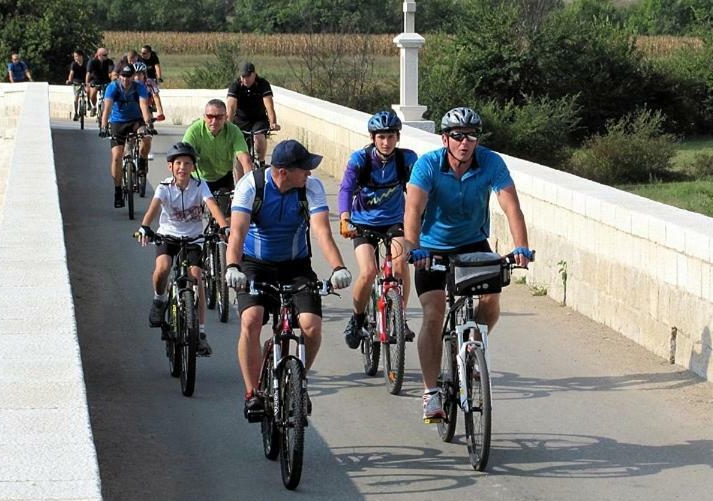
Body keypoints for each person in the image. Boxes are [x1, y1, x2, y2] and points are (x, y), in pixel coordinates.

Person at [404, 106, 532, 422]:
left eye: (471, 136)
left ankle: (472, 350)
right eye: (458, 136)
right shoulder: (428, 165)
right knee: (434, 313)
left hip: (473, 245)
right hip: (432, 249)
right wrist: (414, 248)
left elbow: (511, 207)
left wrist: (521, 247)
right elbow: (412, 211)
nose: (465, 142)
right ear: (445, 139)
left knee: (491, 299)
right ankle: (431, 393)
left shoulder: (491, 162)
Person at [224, 140, 352, 420]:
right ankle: (252, 393)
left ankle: (297, 383)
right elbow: (237, 232)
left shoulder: (311, 188)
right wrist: (233, 267)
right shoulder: (251, 186)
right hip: (254, 265)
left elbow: (321, 232)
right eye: (303, 168)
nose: (309, 172)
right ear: (283, 171)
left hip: (296, 266)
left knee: (311, 326)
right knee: (251, 320)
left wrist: (338, 268)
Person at [137, 142, 229, 357]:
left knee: (196, 276)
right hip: (167, 236)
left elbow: (212, 205)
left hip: (193, 239)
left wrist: (224, 226)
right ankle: (159, 300)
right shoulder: (164, 186)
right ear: (170, 166)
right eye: (178, 163)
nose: (182, 168)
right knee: (163, 267)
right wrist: (144, 227)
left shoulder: (200, 186)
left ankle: (201, 333)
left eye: (187, 164)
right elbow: (153, 208)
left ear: (193, 167)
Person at [339, 111, 418, 349]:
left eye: (391, 136)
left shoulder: (407, 159)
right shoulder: (360, 160)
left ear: (398, 137)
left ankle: (400, 318)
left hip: (395, 222)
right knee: (369, 271)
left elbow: (417, 192)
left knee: (400, 263)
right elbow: (345, 189)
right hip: (363, 224)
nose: (386, 142)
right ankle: (357, 317)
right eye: (381, 137)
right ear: (373, 137)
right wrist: (345, 218)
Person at [182, 99, 253, 211]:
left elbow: (245, 160)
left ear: (226, 117)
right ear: (204, 117)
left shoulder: (234, 131)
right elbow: (183, 155)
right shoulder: (194, 130)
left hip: (223, 178)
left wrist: (251, 185)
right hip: (198, 179)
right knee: (190, 216)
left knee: (227, 218)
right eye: (210, 116)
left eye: (219, 117)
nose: (214, 121)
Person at [98, 64, 154, 209]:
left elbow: (144, 106)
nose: (126, 79)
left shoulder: (139, 87)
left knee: (146, 138)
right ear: (119, 75)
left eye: (129, 76)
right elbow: (107, 107)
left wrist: (148, 124)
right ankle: (117, 191)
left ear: (133, 76)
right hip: (117, 122)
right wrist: (104, 126)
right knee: (117, 156)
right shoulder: (113, 87)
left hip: (136, 120)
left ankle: (142, 161)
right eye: (123, 76)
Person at [226, 61, 279, 174]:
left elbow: (269, 105)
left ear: (254, 74)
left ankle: (261, 161)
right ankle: (239, 186)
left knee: (259, 137)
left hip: (258, 119)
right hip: (241, 121)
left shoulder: (263, 84)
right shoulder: (235, 85)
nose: (245, 79)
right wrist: (227, 125)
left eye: (248, 76)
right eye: (243, 76)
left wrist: (273, 122)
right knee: (240, 156)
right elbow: (231, 107)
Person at [139, 44, 166, 121]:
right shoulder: (140, 59)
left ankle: (160, 113)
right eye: (141, 53)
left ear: (149, 53)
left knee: (155, 94)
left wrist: (159, 77)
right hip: (142, 79)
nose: (142, 54)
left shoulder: (153, 57)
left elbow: (157, 67)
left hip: (151, 78)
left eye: (144, 53)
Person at [86, 48, 114, 114]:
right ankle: (94, 106)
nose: (106, 56)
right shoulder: (92, 62)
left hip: (105, 81)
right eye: (105, 55)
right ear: (99, 55)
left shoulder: (109, 61)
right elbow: (88, 73)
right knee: (93, 93)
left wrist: (113, 80)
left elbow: (111, 72)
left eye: (107, 55)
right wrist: (87, 84)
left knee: (109, 95)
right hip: (95, 80)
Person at [66, 49, 88, 121]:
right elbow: (71, 74)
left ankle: (90, 105)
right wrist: (69, 80)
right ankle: (76, 113)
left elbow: (89, 73)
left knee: (89, 92)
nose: (75, 58)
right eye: (74, 56)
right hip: (76, 82)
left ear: (81, 56)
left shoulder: (86, 64)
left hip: (85, 82)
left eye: (76, 56)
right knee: (76, 97)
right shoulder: (74, 64)